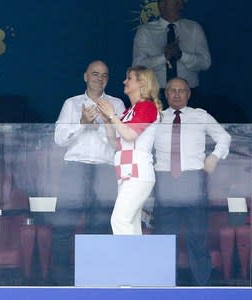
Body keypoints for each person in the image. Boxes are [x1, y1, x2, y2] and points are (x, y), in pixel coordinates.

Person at [50, 60, 125, 285]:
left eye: (104, 75)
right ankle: (61, 282)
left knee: (99, 227)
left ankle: (94, 281)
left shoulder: (116, 104)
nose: (99, 78)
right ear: (85, 76)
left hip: (104, 170)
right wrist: (82, 123)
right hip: (75, 167)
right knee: (63, 226)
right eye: (95, 74)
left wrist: (101, 126)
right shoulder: (71, 104)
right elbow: (59, 139)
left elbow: (122, 141)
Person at [153, 77, 231, 285]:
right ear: (166, 94)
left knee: (197, 237)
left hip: (192, 180)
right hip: (164, 180)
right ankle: (162, 285)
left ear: (189, 94)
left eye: (182, 91)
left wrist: (214, 156)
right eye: (172, 90)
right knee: (164, 238)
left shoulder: (200, 116)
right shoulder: (156, 117)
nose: (177, 94)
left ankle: (202, 287)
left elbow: (224, 137)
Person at [97, 65, 162, 235]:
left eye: (129, 78)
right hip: (126, 174)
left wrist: (112, 116)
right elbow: (115, 143)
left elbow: (129, 135)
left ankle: (126, 261)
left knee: (120, 220)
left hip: (138, 174)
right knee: (131, 224)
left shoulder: (147, 106)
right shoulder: (129, 111)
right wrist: (107, 120)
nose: (124, 81)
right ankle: (136, 261)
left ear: (141, 83)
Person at [132, 0, 211, 106]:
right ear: (162, 5)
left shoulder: (194, 29)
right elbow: (137, 68)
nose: (181, 5)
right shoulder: (145, 31)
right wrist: (164, 57)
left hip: (189, 95)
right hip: (156, 96)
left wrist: (181, 55)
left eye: (181, 2)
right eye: (176, 2)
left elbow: (205, 63)